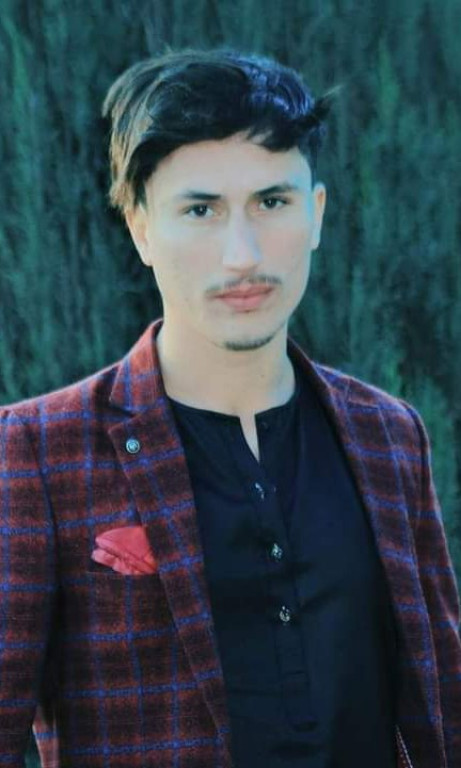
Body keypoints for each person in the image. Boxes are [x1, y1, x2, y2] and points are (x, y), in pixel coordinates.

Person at [0, 48, 459, 768]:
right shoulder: (36, 449)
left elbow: (443, 706)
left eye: (272, 203)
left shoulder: (390, 434)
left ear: (315, 214)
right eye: (200, 210)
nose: (242, 255)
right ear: (140, 228)